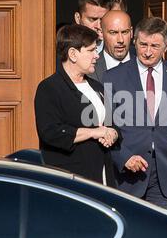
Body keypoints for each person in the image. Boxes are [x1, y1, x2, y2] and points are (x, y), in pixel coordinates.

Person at [103, 17, 167, 212]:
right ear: (134, 41)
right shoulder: (113, 77)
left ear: (166, 46)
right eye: (143, 44)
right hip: (127, 175)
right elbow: (107, 128)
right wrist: (123, 158)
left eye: (154, 46)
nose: (147, 51)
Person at [35, 24, 119, 186]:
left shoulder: (97, 87)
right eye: (91, 50)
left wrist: (112, 134)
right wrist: (93, 132)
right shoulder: (49, 88)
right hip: (70, 179)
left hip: (104, 177)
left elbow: (113, 124)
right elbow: (51, 132)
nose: (97, 56)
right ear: (73, 54)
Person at [88, 10, 134, 83]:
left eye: (125, 32)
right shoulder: (89, 70)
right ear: (101, 33)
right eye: (113, 33)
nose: (120, 40)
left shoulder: (144, 65)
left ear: (131, 32)